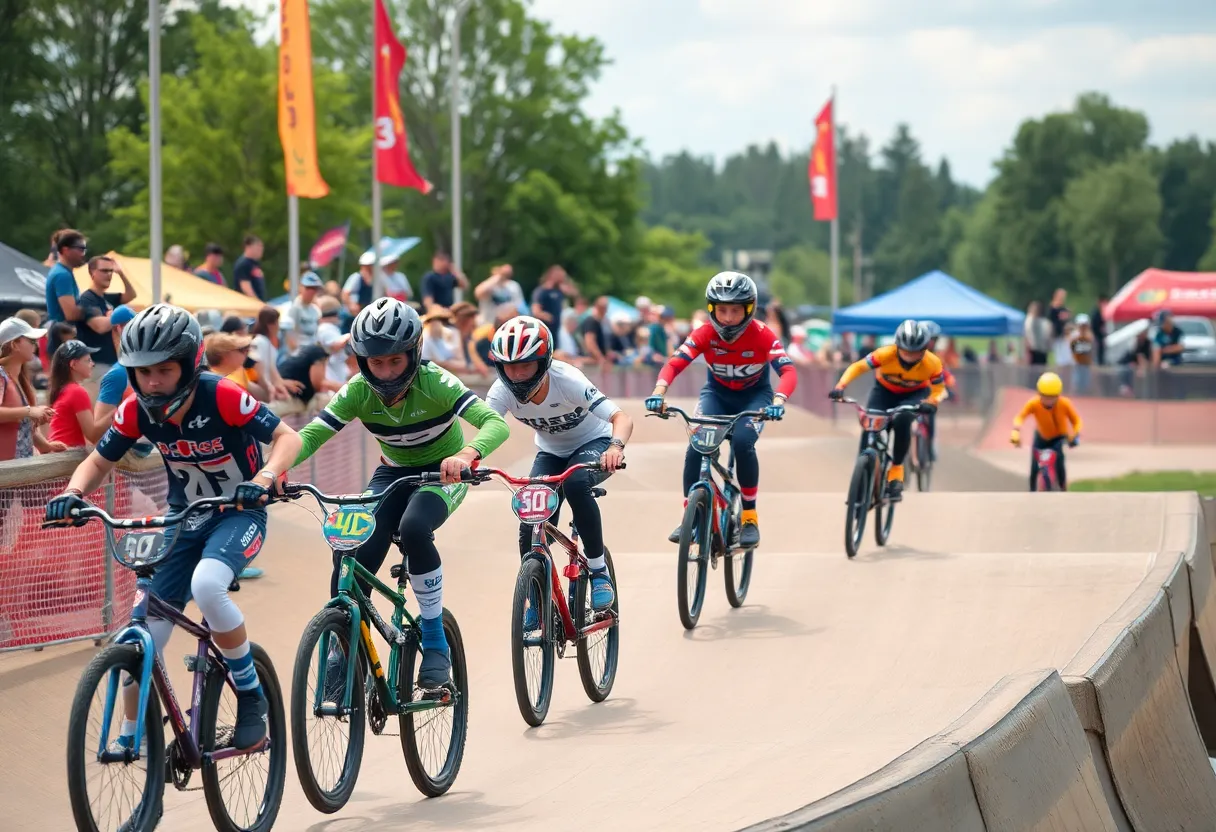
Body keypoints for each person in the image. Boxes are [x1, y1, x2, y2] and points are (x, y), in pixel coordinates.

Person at [44, 303, 302, 752]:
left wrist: (263, 479)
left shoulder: (220, 394)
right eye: (143, 373)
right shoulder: (133, 410)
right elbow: (99, 460)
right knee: (143, 635)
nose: (153, 382)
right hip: (184, 519)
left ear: (190, 363)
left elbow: (288, 436)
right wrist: (74, 493)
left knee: (207, 586)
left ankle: (250, 695)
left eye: (164, 370)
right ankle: (131, 737)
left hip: (239, 514)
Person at [294, 298, 509, 688]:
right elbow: (310, 436)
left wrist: (466, 453)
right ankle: (342, 646)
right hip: (391, 472)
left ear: (414, 353)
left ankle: (434, 638)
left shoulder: (436, 381)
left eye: (396, 361)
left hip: (442, 474)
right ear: (362, 362)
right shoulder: (357, 390)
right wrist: (270, 471)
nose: (387, 372)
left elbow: (495, 423)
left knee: (413, 528)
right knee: (351, 549)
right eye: (377, 363)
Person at [485, 316, 633, 615]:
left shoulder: (568, 380)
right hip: (551, 452)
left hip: (594, 444)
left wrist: (615, 447)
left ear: (544, 362)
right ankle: (536, 593)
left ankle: (598, 570)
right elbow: (487, 426)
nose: (517, 376)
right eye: (509, 367)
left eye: (525, 365)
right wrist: (468, 459)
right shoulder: (501, 391)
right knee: (531, 515)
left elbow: (621, 418)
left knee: (576, 484)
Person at [645, 272, 795, 547]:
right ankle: (689, 516)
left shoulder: (762, 334)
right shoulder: (704, 332)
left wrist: (779, 401)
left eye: (735, 311)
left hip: (755, 397)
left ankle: (749, 516)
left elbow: (787, 371)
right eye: (722, 310)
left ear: (749, 310)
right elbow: (675, 362)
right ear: (712, 309)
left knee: (742, 442)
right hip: (716, 395)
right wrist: (659, 392)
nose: (727, 318)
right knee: (696, 446)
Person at [828, 320, 945, 502]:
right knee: (870, 423)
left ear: (925, 349)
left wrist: (932, 402)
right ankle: (862, 469)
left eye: (916, 353)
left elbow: (938, 389)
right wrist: (840, 386)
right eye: (905, 352)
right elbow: (858, 367)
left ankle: (896, 472)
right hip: (884, 392)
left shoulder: (933, 363)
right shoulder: (884, 354)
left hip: (914, 394)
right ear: (897, 347)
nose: (909, 358)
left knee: (903, 420)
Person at [0, 317, 64, 459]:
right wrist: (30, 411)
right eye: (32, 341)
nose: (36, 346)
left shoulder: (21, 380)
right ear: (15, 344)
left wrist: (47, 446)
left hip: (18, 469)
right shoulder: (1, 375)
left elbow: (25, 428)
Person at [1010, 372, 1082, 491]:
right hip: (1041, 437)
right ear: (1039, 394)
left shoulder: (1065, 404)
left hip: (1059, 437)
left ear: (1058, 395)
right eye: (1045, 397)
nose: (1048, 401)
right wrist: (1016, 429)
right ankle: (1031, 490)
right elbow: (1020, 417)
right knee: (1034, 466)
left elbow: (1077, 421)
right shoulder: (1034, 404)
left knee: (1059, 462)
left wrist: (1075, 434)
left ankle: (1063, 487)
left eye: (1052, 397)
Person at [77, 255, 137, 384]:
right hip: (95, 364)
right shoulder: (86, 299)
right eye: (104, 271)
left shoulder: (107, 298)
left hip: (112, 362)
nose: (109, 274)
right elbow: (100, 327)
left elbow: (132, 294)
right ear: (92, 272)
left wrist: (121, 273)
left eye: (111, 271)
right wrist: (118, 314)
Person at [47, 340, 103, 447]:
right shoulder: (76, 391)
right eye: (88, 360)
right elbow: (92, 436)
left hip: (60, 451)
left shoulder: (64, 389)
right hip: (66, 454)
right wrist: (114, 414)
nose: (92, 364)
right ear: (73, 364)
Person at [44, 229, 90, 354]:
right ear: (65, 250)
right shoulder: (62, 275)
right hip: (62, 340)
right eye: (80, 249)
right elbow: (71, 314)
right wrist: (93, 308)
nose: (83, 254)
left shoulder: (64, 272)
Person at [919, 321, 955, 461]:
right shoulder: (914, 353)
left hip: (931, 394)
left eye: (934, 339)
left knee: (931, 417)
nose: (931, 343)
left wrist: (950, 386)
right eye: (929, 340)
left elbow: (945, 374)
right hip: (915, 391)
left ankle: (929, 445)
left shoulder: (938, 357)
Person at [233, 235, 266, 301]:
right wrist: (257, 303)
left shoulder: (255, 264)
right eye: (258, 247)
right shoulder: (243, 264)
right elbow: (246, 288)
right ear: (249, 247)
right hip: (248, 304)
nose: (261, 250)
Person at [1069, 314, 1096, 394]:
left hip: (1086, 363)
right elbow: (1073, 349)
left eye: (1085, 325)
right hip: (1077, 363)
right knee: (1076, 382)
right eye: (1081, 325)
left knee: (1086, 383)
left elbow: (1091, 350)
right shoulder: (1074, 336)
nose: (1083, 327)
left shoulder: (1090, 336)